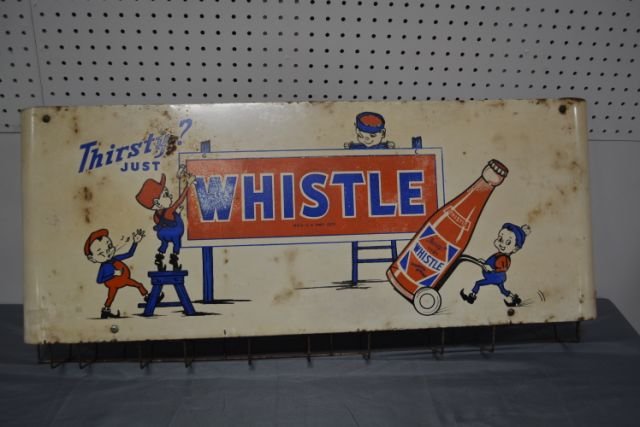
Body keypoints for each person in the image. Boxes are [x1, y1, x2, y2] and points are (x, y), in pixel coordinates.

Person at [135, 166, 195, 271]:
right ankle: (174, 261)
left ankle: (159, 259)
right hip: (174, 233)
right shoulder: (168, 211)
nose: (170, 196)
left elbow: (162, 222)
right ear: (157, 203)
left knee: (164, 244)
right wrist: (188, 185)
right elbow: (180, 201)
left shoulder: (156, 215)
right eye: (166, 194)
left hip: (162, 234)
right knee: (176, 244)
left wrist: (177, 214)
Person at [85, 228, 152, 319]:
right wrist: (112, 276)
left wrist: (135, 242)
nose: (108, 252)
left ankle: (106, 311)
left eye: (109, 246)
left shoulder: (115, 258)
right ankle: (147, 297)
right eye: (101, 253)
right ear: (93, 259)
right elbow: (99, 280)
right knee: (135, 286)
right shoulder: (104, 266)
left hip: (122, 279)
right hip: (116, 281)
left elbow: (129, 254)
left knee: (113, 296)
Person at [460, 223, 531, 307]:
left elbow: (503, 268)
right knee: (503, 290)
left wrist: (492, 269)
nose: (501, 244)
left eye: (508, 242)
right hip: (497, 277)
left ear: (515, 249)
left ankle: (471, 297)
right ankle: (515, 299)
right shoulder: (500, 255)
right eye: (500, 239)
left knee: (478, 283)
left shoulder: (504, 258)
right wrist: (484, 262)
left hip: (494, 277)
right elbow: (492, 263)